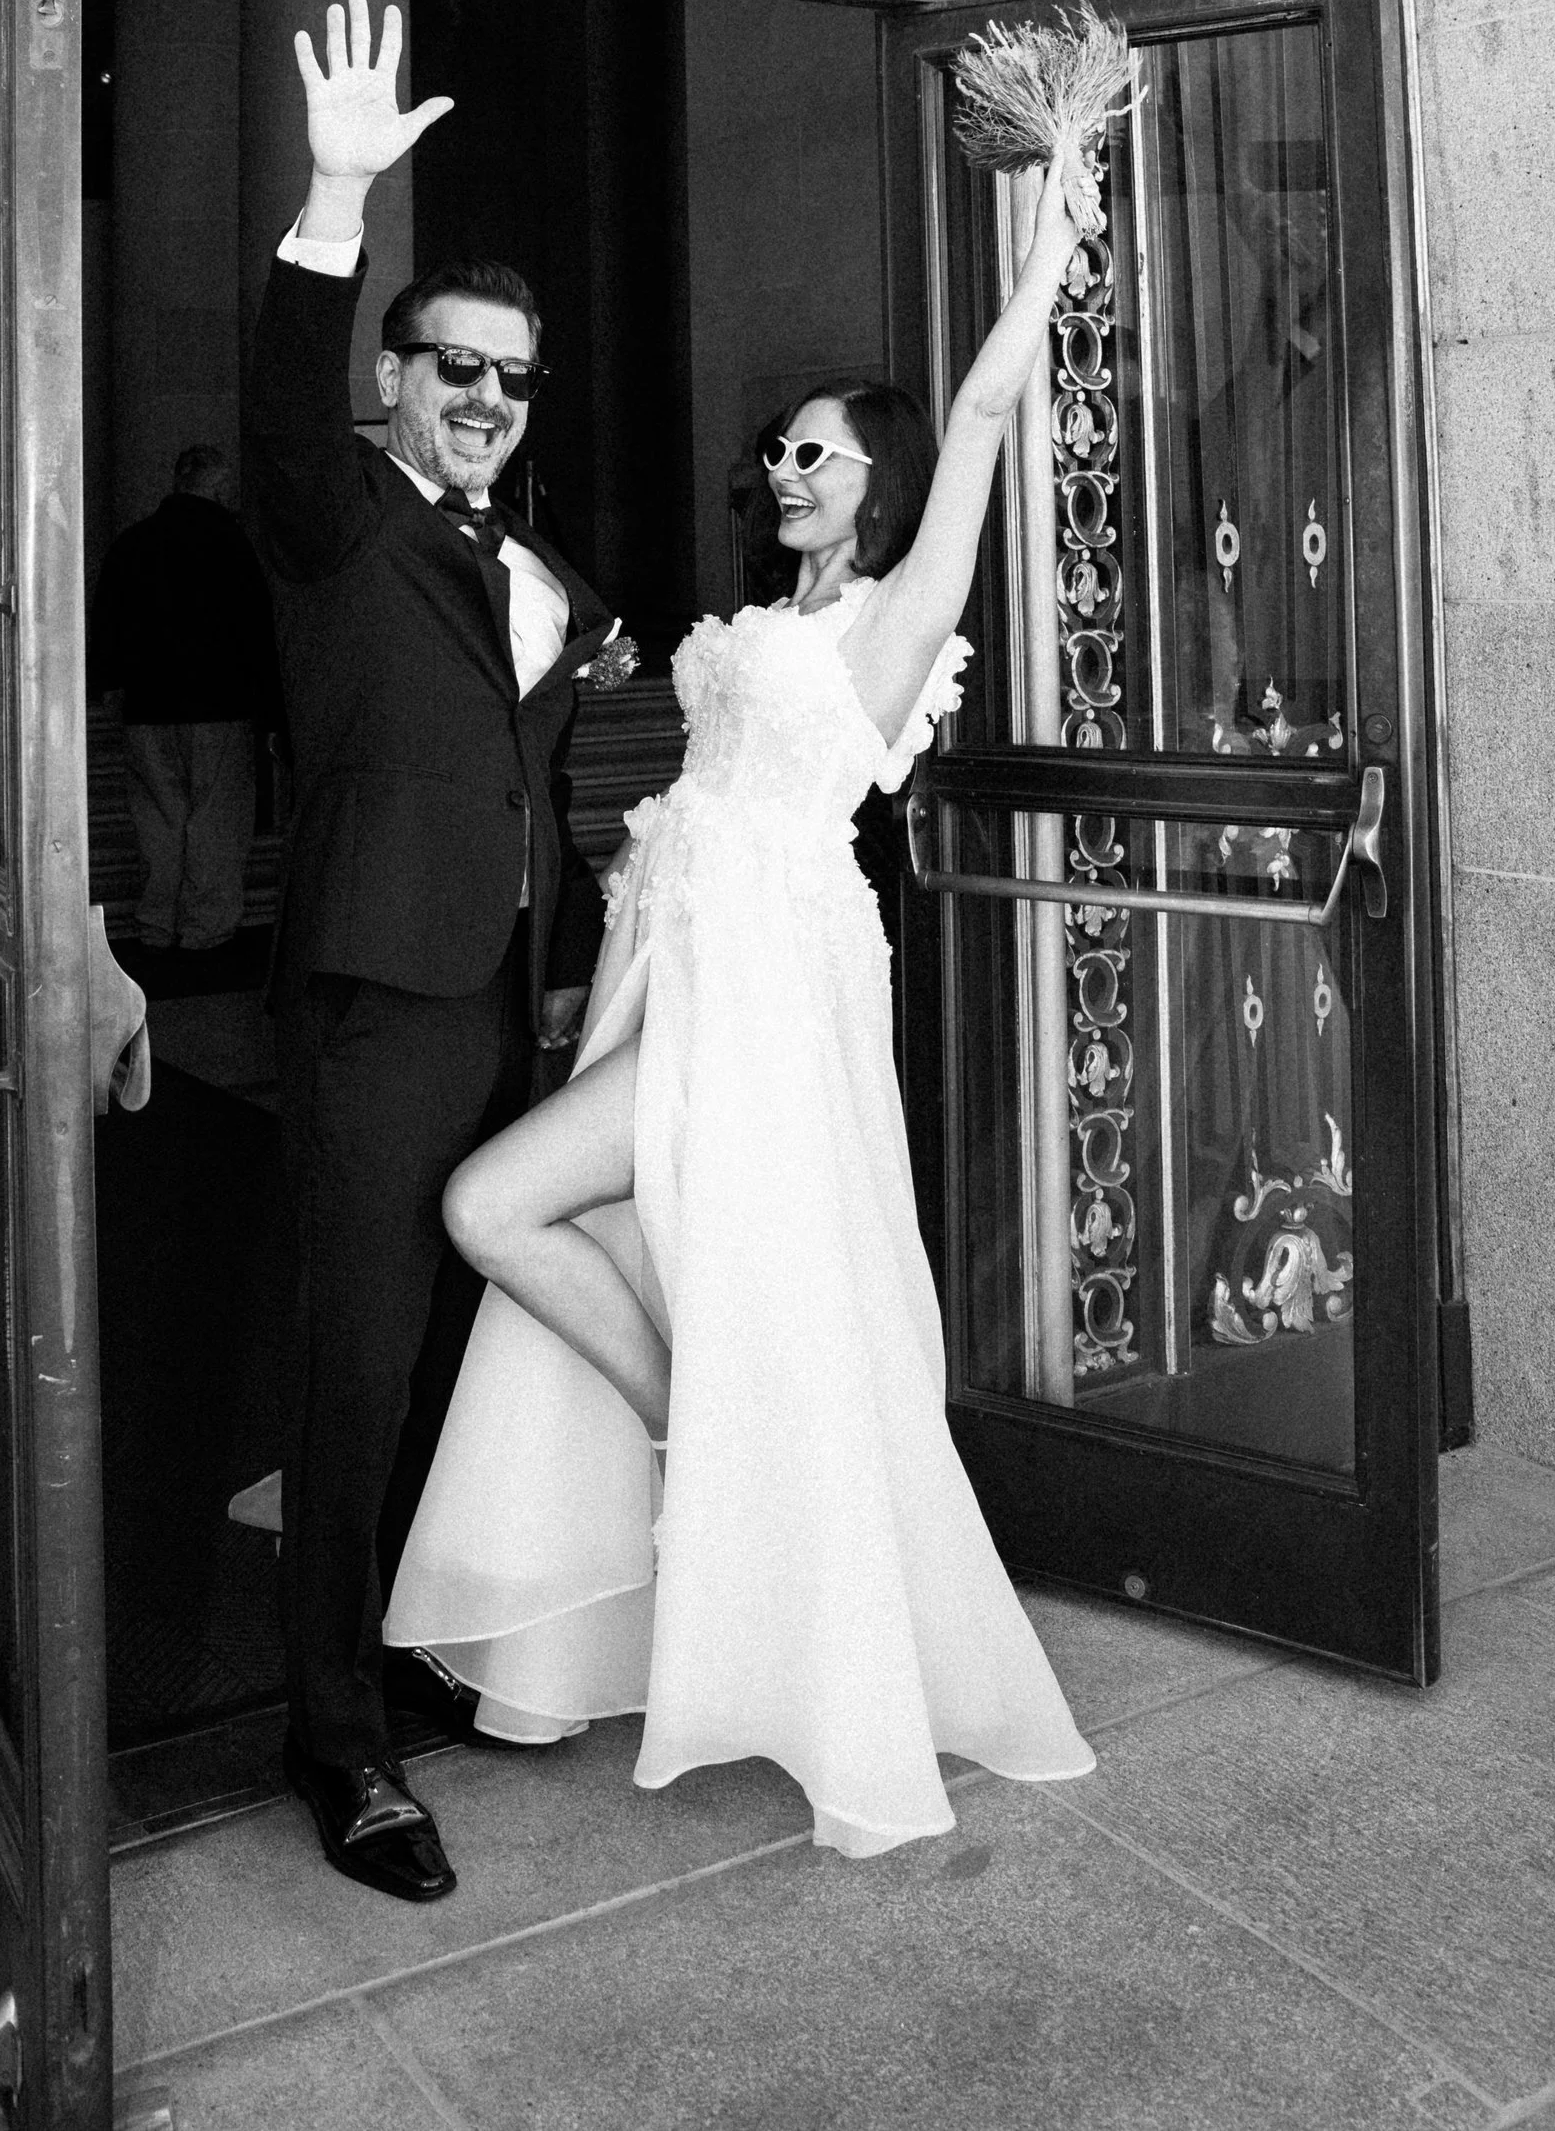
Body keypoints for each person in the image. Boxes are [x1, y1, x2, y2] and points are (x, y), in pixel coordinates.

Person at [384, 135, 1100, 1857]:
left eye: (822, 452)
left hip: (777, 997)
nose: (786, 466)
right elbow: (671, 829)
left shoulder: (896, 623)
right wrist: (604, 1000)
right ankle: (703, 1431)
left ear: (882, 481)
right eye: (781, 447)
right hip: (678, 971)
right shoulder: (751, 617)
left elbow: (992, 421)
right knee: (506, 1204)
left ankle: (710, 1450)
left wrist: (1052, 238)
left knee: (498, 1205)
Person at [242, 0, 615, 1906]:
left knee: (469, 1339)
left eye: (510, 377)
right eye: (449, 365)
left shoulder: (529, 554)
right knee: (359, 1364)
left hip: (509, 1000)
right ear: (389, 375)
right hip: (380, 1000)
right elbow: (278, 411)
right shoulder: (330, 522)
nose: (480, 395)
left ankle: (427, 1637)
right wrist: (333, 196)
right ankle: (338, 1742)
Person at [89, 443, 282, 951]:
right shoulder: (236, 546)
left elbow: (107, 622)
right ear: (219, 489)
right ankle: (206, 930)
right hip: (221, 705)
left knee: (157, 819)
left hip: (147, 706)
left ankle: (155, 924)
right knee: (216, 822)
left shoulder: (133, 543)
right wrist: (272, 710)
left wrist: (109, 689)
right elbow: (259, 631)